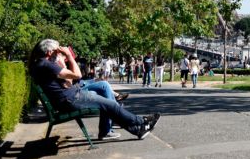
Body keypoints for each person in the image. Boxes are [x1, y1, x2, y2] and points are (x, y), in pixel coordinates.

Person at [29, 39, 159, 141]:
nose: (59, 54)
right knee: (111, 104)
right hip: (71, 99)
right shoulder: (46, 65)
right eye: (57, 51)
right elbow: (78, 76)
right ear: (49, 52)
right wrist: (69, 57)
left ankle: (137, 130)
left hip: (69, 97)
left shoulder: (40, 64)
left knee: (107, 102)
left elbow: (67, 84)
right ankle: (142, 122)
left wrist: (63, 64)